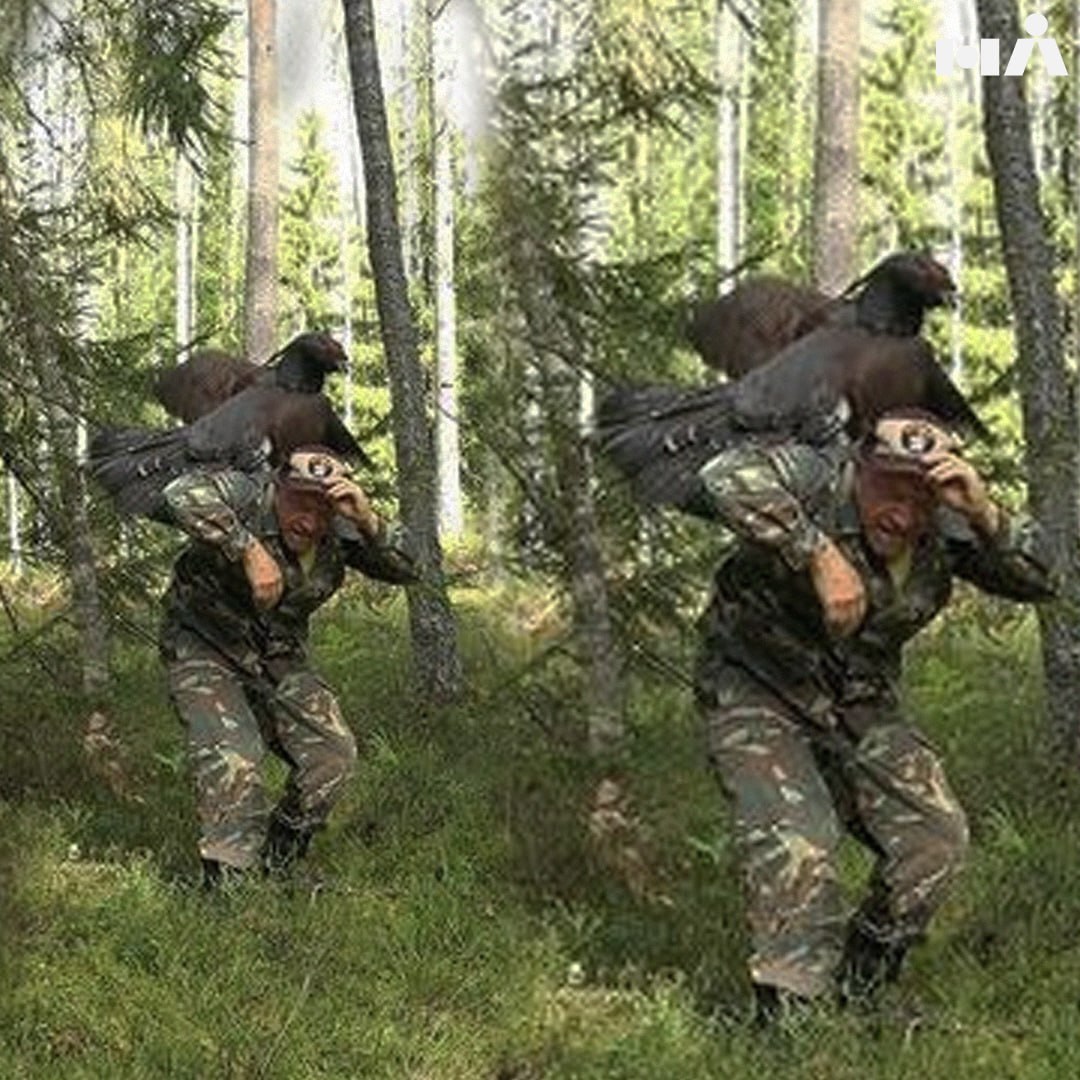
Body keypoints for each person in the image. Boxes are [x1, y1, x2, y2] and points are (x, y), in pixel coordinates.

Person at [692, 408, 1056, 1020]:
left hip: (859, 699)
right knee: (797, 840)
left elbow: (1043, 578)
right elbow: (724, 472)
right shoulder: (815, 475)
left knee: (934, 839)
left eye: (922, 499)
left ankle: (860, 989)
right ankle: (790, 1021)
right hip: (757, 684)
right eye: (889, 490)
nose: (903, 515)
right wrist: (815, 550)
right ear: (857, 469)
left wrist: (984, 513)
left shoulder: (946, 527)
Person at [158, 445, 417, 888]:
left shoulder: (340, 530)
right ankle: (227, 887)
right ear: (277, 489)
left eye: (323, 510)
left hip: (277, 654)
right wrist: (246, 547)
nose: (309, 522)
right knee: (232, 754)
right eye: (299, 504)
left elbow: (408, 568)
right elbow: (180, 491)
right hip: (204, 643)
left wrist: (367, 520)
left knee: (331, 754)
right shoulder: (246, 493)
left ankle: (279, 862)